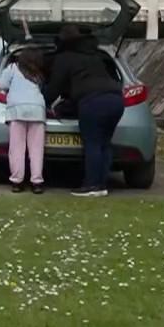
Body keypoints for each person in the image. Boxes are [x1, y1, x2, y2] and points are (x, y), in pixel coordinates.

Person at [43, 24, 125, 197]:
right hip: (116, 99)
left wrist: (42, 102)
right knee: (104, 143)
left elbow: (54, 88)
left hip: (93, 101)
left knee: (93, 142)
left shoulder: (65, 58)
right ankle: (102, 185)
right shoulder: (95, 55)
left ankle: (92, 185)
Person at [0, 48, 48, 194]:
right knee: (36, 149)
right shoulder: (39, 73)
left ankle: (17, 181)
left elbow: (2, 85)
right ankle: (37, 182)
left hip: (17, 110)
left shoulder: (12, 68)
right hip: (37, 110)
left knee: (17, 148)